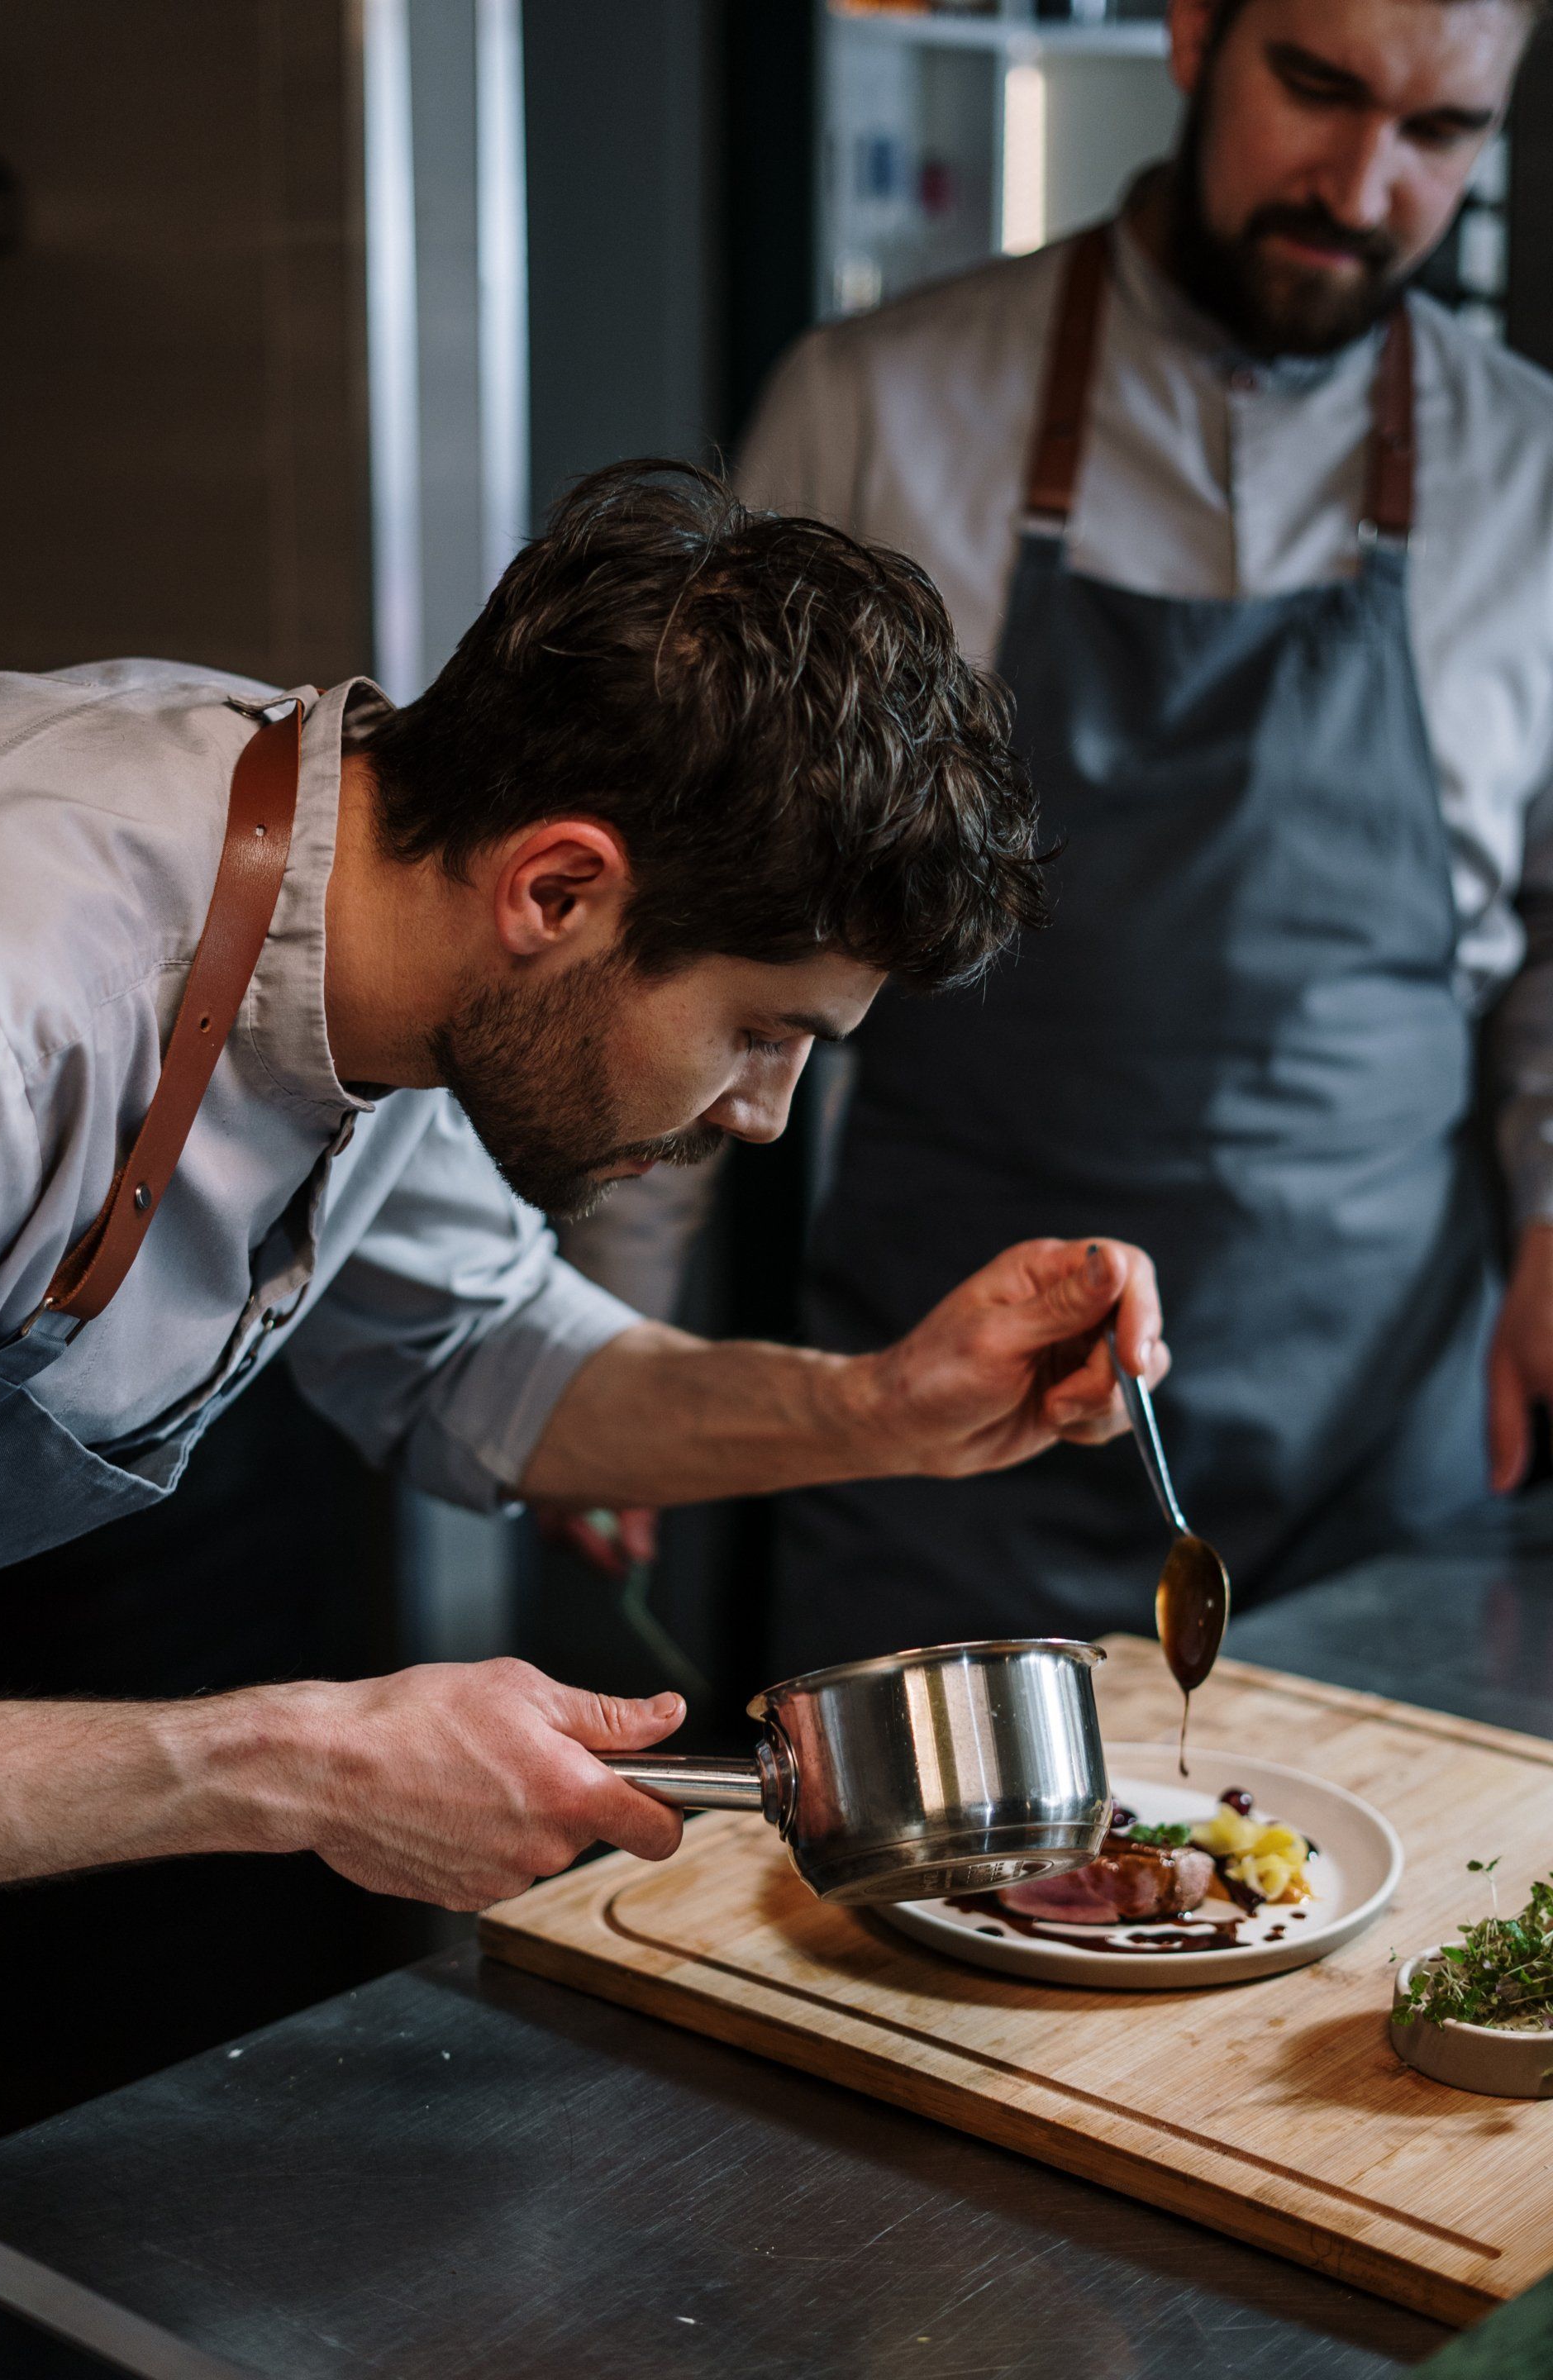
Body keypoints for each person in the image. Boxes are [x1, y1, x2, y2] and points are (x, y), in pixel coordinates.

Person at [0, 462, 1166, 1911]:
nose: (767, 1113)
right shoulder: (10, 1019)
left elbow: (479, 1355)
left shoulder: (383, 899)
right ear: (556, 892)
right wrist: (292, 1767)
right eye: (762, 1032)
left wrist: (884, 1408)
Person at [579, 0, 1553, 1676]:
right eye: (1314, 87)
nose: (1362, 180)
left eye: (1440, 133)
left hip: (1376, 1435)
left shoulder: (1534, 470)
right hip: (940, 1423)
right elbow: (697, 902)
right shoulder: (877, 407)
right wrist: (609, 1347)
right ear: (1194, 32)